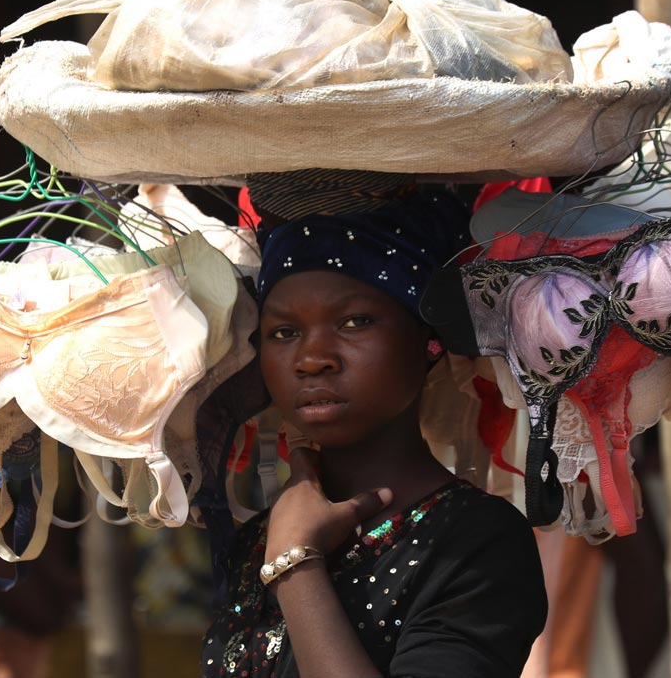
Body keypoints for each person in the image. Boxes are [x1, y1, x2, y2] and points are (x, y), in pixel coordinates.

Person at [201, 191, 548, 677]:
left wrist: (297, 566)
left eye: (355, 322)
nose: (312, 359)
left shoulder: (477, 541)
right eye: (284, 332)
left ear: (429, 341)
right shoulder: (258, 539)